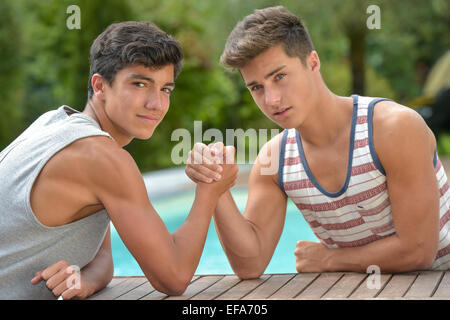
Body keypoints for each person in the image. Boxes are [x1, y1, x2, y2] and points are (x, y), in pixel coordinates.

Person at [185, 6, 450, 278]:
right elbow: (249, 264)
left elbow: (419, 250)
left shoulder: (393, 128)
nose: (271, 99)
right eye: (257, 87)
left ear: (313, 63)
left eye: (280, 77)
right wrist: (214, 181)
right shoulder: (275, 161)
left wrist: (329, 259)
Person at [0, 21, 237, 300]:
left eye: (165, 89)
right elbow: (173, 278)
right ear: (100, 86)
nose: (156, 104)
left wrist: (83, 280)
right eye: (140, 84)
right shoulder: (101, 158)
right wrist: (209, 189)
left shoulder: (55, 123)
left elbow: (103, 261)